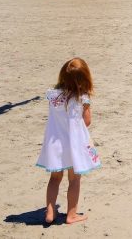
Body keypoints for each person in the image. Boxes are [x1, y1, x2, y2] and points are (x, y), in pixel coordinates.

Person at [36, 58, 101, 224]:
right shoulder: (82, 98)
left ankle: (50, 213)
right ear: (85, 79)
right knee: (74, 179)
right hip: (74, 145)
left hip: (55, 143)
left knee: (55, 178)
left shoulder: (53, 96)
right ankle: (71, 214)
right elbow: (87, 121)